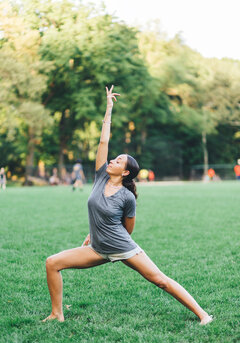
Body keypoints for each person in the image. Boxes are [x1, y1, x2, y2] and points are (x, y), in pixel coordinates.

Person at [43, 85, 213, 325]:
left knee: (160, 280)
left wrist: (111, 239)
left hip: (122, 246)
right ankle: (56, 314)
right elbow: (104, 141)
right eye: (114, 158)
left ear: (125, 172)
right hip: (97, 249)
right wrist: (109, 108)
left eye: (118, 160)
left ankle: (203, 314)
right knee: (52, 262)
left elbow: (127, 229)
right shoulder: (101, 175)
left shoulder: (127, 197)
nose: (112, 160)